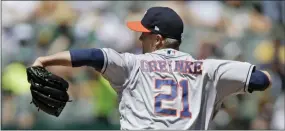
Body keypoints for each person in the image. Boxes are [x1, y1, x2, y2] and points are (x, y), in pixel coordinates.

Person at [31, 7, 272, 130]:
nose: (139, 40)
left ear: (157, 40)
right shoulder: (208, 69)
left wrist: (44, 60)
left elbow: (93, 55)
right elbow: (260, 80)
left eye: (143, 35)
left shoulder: (132, 65)